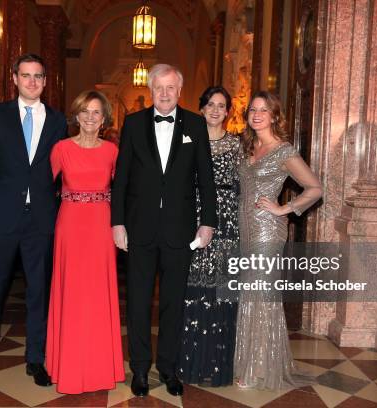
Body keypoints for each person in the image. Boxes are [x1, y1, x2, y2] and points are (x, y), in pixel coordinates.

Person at [111, 64, 217, 397]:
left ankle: (169, 368)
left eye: (172, 87)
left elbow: (206, 180)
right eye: (160, 88)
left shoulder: (196, 124)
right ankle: (140, 369)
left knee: (174, 303)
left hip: (180, 231)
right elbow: (121, 179)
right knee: (138, 303)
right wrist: (117, 222)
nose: (166, 93)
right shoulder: (132, 123)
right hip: (139, 229)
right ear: (151, 89)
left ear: (179, 91)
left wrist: (208, 222)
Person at [0, 53, 68, 393]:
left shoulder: (57, 120)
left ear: (44, 80)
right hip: (1, 218)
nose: (32, 82)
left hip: (41, 219)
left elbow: (62, 172)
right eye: (25, 75)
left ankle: (36, 359)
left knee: (39, 292)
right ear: (14, 78)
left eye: (38, 76)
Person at [234, 91, 322, 389]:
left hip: (266, 230)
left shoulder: (283, 150)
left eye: (264, 110)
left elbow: (314, 188)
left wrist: (284, 207)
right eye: (252, 110)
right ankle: (248, 360)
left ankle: (258, 368)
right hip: (244, 228)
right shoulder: (248, 147)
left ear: (274, 116)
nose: (257, 114)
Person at [45, 90, 125, 394]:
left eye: (96, 113)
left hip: (101, 226)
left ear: (104, 119)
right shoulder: (61, 149)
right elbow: (40, 189)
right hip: (70, 225)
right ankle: (67, 365)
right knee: (72, 291)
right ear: (76, 116)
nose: (90, 118)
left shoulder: (112, 152)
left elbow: (124, 190)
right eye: (85, 112)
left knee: (98, 292)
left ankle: (100, 366)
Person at [178, 86, 240, 387]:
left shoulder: (237, 145)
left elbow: (246, 186)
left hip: (227, 223)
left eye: (222, 105)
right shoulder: (187, 141)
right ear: (201, 108)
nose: (216, 110)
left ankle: (217, 365)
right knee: (191, 289)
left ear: (228, 111)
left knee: (221, 292)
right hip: (193, 218)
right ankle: (189, 363)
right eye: (210, 104)